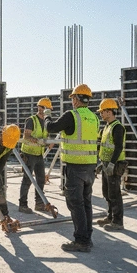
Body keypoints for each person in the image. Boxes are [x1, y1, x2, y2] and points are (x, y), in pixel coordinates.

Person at [44, 84, 99, 252]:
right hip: (90, 166)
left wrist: (46, 116)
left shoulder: (72, 116)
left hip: (76, 167)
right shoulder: (94, 118)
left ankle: (81, 241)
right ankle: (87, 237)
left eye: (73, 98)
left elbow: (51, 128)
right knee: (86, 202)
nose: (72, 101)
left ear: (76, 99)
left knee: (76, 203)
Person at [96, 98, 127, 231]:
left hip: (115, 165)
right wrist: (101, 163)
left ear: (109, 111)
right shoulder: (106, 127)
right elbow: (102, 146)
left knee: (114, 193)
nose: (101, 114)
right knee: (106, 192)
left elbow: (118, 147)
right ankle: (110, 216)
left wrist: (111, 164)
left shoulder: (117, 127)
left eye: (103, 111)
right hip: (106, 163)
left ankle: (118, 221)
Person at [19, 97, 54, 213]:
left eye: (46, 108)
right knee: (27, 179)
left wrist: (49, 141)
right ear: (39, 108)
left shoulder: (46, 121)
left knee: (40, 179)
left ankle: (39, 203)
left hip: (38, 154)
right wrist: (38, 141)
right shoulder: (31, 120)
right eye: (42, 107)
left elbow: (46, 135)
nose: (43, 110)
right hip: (28, 154)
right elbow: (26, 136)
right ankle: (22, 204)